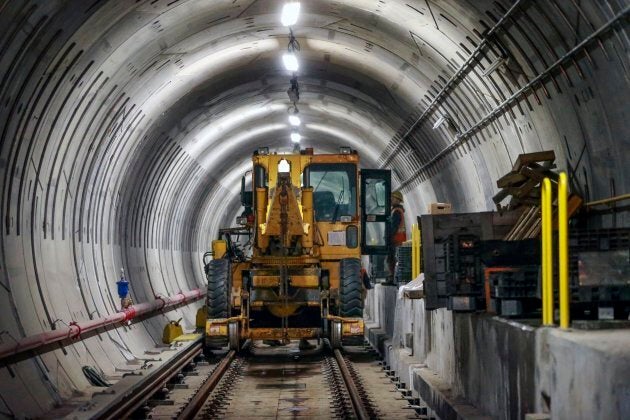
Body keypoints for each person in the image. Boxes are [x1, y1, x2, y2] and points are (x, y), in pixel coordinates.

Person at [387, 190, 406, 282]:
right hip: (398, 239)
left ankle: (393, 279)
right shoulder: (396, 210)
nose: (391, 199)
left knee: (392, 259)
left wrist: (388, 237)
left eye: (393, 198)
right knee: (393, 259)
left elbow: (394, 227)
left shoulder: (397, 211)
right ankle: (393, 278)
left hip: (396, 239)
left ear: (398, 200)